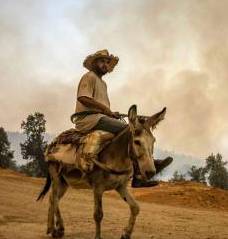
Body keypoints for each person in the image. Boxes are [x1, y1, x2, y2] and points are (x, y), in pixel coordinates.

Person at [72, 49, 172, 187]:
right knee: (131, 132)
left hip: (99, 118)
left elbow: (100, 107)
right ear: (95, 63)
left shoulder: (103, 84)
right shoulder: (89, 76)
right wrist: (106, 110)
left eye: (107, 62)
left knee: (137, 133)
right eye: (102, 61)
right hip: (87, 120)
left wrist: (110, 113)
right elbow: (83, 98)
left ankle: (137, 166)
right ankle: (138, 177)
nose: (105, 65)